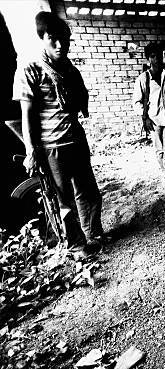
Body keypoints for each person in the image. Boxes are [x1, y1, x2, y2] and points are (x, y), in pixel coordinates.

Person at [13, 11, 103, 259]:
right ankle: (76, 245)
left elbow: (79, 104)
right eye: (53, 38)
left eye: (65, 38)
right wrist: (32, 152)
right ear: (42, 38)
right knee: (64, 201)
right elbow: (27, 117)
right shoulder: (30, 69)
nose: (61, 45)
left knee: (89, 192)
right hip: (53, 147)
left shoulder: (70, 69)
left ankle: (93, 233)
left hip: (76, 140)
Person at [132, 42, 165, 186]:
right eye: (153, 56)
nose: (157, 60)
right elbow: (137, 102)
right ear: (148, 58)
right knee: (159, 149)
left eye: (158, 56)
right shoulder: (143, 78)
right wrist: (145, 117)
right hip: (154, 120)